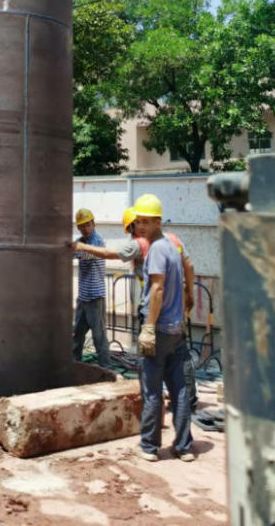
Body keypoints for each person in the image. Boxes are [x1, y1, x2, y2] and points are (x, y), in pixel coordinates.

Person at [74, 206, 199, 409]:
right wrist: (190, 294)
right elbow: (190, 266)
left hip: (154, 309)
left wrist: (81, 247)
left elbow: (108, 253)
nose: (134, 232)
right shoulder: (173, 239)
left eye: (134, 227)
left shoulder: (140, 244)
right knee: (179, 355)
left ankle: (151, 402)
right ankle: (188, 401)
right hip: (177, 305)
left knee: (149, 359)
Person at [134, 193, 194, 462]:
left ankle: (149, 447)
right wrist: (189, 299)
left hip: (158, 331)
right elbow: (187, 272)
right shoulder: (172, 245)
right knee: (179, 390)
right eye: (138, 221)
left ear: (158, 221)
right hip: (175, 330)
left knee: (152, 389)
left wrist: (148, 327)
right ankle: (184, 447)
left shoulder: (158, 248)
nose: (141, 226)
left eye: (146, 222)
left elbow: (157, 288)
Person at [71, 208, 112, 369]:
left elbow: (87, 255)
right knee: (77, 334)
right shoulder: (81, 241)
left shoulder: (97, 242)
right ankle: (74, 363)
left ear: (94, 224)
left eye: (88, 225)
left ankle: (105, 368)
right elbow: (73, 253)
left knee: (98, 336)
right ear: (78, 228)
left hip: (95, 298)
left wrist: (74, 249)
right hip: (83, 297)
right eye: (82, 226)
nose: (86, 229)